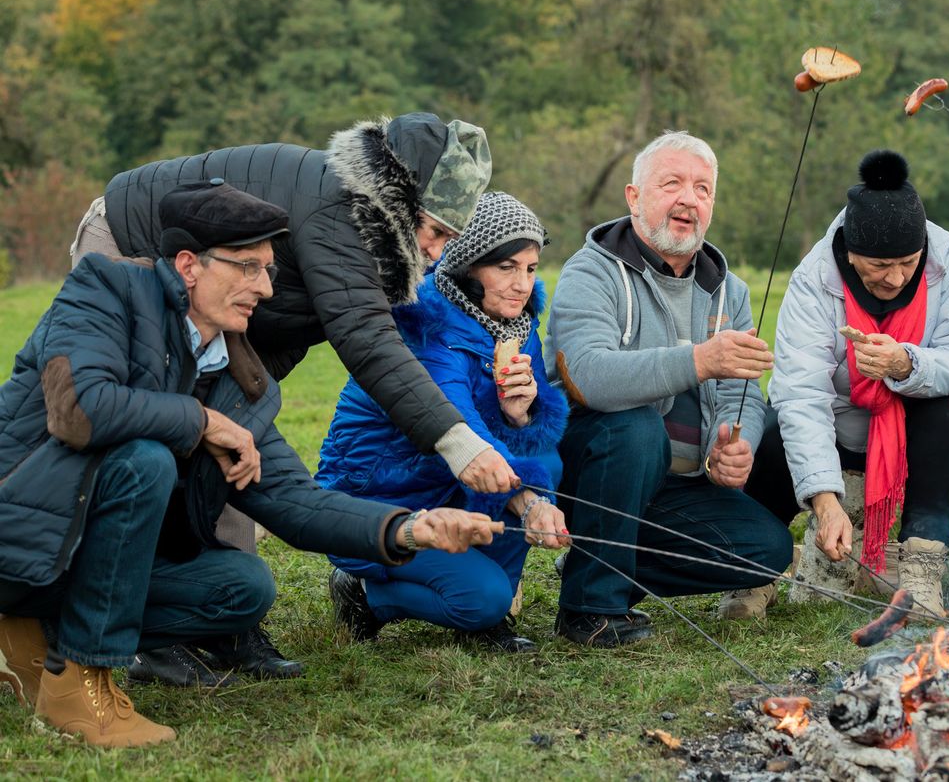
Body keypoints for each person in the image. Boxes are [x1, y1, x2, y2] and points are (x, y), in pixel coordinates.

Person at [0, 182, 501, 747]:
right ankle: (81, 679)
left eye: (268, 270)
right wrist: (201, 422)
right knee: (143, 461)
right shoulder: (106, 290)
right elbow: (79, 410)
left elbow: (295, 502)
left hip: (74, 560)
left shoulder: (244, 384)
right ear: (189, 265)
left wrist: (409, 527)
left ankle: (35, 627)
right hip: (20, 536)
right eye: (248, 268)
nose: (264, 288)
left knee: (243, 587)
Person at [68, 112, 520, 682]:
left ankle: (219, 620)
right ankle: (140, 629)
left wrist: (241, 402)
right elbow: (367, 341)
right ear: (400, 204)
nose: (437, 249)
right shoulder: (341, 211)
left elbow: (290, 327)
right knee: (150, 444)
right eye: (434, 229)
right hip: (133, 240)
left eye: (452, 237)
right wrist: (459, 444)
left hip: (218, 296)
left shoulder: (372, 243)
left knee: (232, 444)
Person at [546, 130, 794, 647]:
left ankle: (600, 562)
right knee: (635, 427)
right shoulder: (590, 272)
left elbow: (741, 394)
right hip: (592, 470)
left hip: (680, 487)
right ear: (634, 197)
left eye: (703, 189)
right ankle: (589, 609)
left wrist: (731, 446)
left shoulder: (732, 291)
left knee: (766, 547)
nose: (689, 199)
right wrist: (699, 360)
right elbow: (588, 376)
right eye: (672, 183)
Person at [317, 192, 569, 652]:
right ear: (470, 266)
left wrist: (523, 412)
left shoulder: (516, 325)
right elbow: (457, 424)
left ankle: (490, 607)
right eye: (507, 268)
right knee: (482, 598)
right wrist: (531, 505)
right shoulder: (423, 324)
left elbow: (519, 432)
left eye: (531, 270)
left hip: (448, 482)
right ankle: (363, 594)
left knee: (544, 460)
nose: (522, 284)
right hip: (381, 494)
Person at [769, 150, 949, 618]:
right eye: (880, 265)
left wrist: (906, 364)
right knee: (769, 428)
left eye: (908, 262)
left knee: (944, 408)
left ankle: (922, 571)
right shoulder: (813, 279)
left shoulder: (948, 258)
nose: (896, 277)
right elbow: (802, 393)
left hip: (910, 424)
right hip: (840, 426)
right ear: (850, 252)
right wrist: (826, 504)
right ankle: (758, 566)